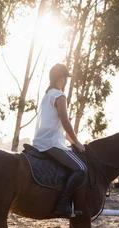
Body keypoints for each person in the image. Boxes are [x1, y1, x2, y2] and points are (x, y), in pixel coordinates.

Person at [32, 63, 86, 216]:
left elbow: (61, 128)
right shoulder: (59, 96)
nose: (66, 81)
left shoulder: (47, 96)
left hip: (42, 141)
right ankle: (62, 203)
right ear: (61, 78)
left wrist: (73, 141)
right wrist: (77, 142)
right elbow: (65, 121)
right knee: (81, 169)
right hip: (52, 143)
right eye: (65, 78)